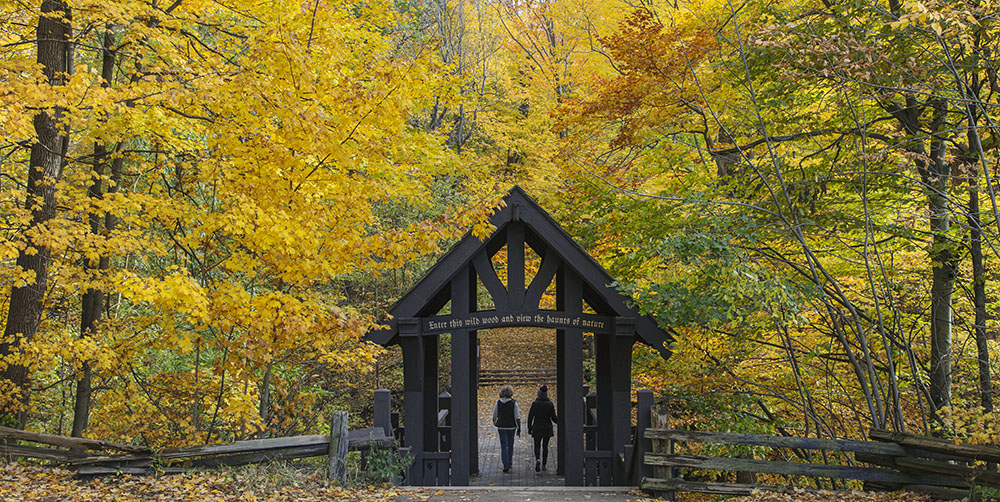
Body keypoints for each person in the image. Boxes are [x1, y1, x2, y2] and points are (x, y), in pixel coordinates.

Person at [527, 384, 557, 472]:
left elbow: (530, 417)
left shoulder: (535, 404)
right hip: (547, 427)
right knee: (545, 446)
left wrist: (529, 427)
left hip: (537, 427)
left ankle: (538, 459)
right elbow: (553, 418)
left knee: (537, 445)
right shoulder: (550, 404)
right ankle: (544, 464)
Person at [492, 384, 521, 473]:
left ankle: (505, 464)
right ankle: (510, 461)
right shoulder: (514, 403)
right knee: (510, 444)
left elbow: (494, 414)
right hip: (511, 426)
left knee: (503, 445)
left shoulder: (498, 402)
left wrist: (495, 422)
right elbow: (517, 416)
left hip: (501, 426)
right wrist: (519, 427)